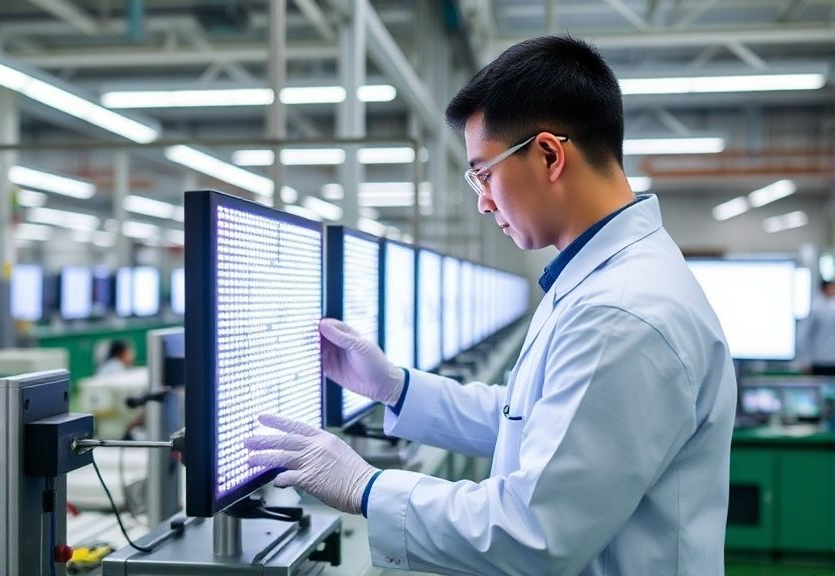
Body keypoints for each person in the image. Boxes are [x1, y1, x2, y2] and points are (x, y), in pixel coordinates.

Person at [247, 35, 737, 575]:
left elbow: (534, 534)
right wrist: (394, 387)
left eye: (483, 173)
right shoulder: (603, 282)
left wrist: (366, 486)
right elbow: (534, 419)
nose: (482, 201)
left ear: (549, 155)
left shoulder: (619, 313)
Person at [798, 279, 835, 375]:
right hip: (820, 361)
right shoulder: (816, 308)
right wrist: (805, 359)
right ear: (825, 289)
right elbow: (803, 334)